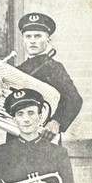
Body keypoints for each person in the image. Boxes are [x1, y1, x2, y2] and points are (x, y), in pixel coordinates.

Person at [16, 12, 83, 141]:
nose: (32, 41)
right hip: (16, 137)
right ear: (23, 40)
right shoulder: (18, 70)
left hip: (44, 137)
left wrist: (56, 123)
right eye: (28, 37)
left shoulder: (54, 68)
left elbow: (74, 99)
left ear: (48, 40)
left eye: (37, 36)